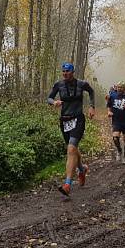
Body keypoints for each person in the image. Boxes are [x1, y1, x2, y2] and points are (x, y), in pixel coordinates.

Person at [47, 62, 96, 197]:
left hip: (78, 119)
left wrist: (92, 106)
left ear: (72, 72)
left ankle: (67, 184)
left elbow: (91, 91)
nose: (65, 74)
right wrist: (54, 102)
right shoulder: (59, 85)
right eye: (63, 71)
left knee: (71, 149)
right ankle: (82, 169)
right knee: (73, 149)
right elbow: (49, 98)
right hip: (64, 121)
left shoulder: (81, 84)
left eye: (67, 71)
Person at [106, 81, 125, 164]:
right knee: (115, 138)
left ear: (124, 88)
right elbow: (109, 105)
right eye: (118, 87)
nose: (119, 89)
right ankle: (119, 150)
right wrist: (109, 112)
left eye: (121, 87)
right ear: (117, 88)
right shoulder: (112, 96)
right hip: (116, 121)